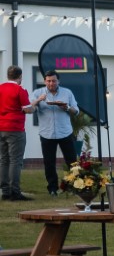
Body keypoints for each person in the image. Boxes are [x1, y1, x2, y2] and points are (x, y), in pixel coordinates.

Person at [26, 72, 79, 197]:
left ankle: (74, 186)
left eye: (54, 81)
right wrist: (38, 100)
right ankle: (52, 189)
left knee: (72, 162)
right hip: (46, 133)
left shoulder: (67, 93)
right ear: (44, 81)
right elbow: (29, 108)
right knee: (49, 163)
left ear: (58, 81)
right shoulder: (38, 93)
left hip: (65, 132)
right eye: (48, 81)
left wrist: (66, 107)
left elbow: (76, 111)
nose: (51, 83)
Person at [0, 66, 32, 200]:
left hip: (1, 127)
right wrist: (33, 106)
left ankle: (5, 191)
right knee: (15, 160)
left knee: (3, 160)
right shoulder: (20, 90)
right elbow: (27, 109)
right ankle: (15, 191)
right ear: (20, 76)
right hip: (15, 128)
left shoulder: (0, 88)